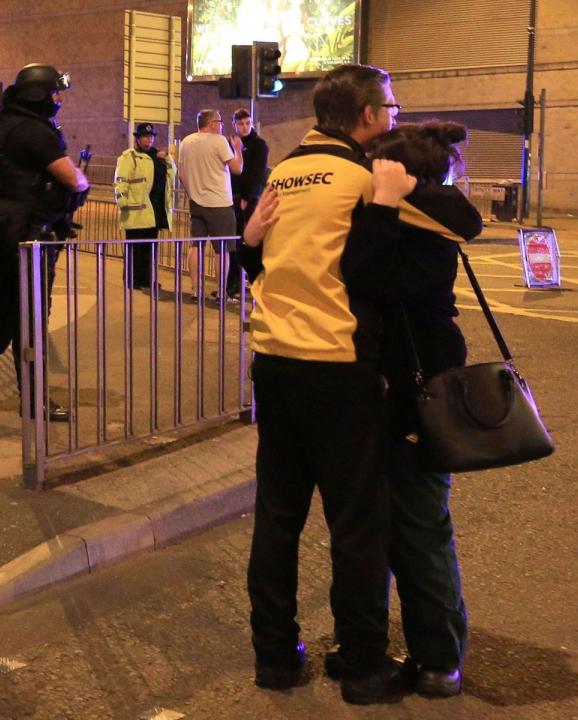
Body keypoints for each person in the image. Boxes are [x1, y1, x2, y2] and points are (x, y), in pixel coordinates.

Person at [237, 64, 480, 704]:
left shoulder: (284, 171)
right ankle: (366, 663)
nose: (396, 117)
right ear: (368, 117)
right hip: (338, 368)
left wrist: (245, 245)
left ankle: (274, 656)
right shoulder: (363, 178)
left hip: (273, 360)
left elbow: (270, 256)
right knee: (357, 524)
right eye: (392, 108)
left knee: (278, 516)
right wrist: (387, 198)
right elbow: (462, 222)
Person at [341, 121, 482, 697]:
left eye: (377, 165)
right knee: (392, 524)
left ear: (400, 173)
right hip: (394, 385)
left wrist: (382, 203)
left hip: (416, 388)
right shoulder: (415, 213)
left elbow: (369, 274)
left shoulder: (422, 222)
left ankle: (439, 657)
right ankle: (415, 646)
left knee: (421, 526)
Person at [0, 63, 89, 422]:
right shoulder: (35, 132)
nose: (58, 99)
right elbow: (74, 179)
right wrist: (79, 182)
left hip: (9, 232)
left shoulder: (6, 125)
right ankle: (34, 398)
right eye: (55, 92)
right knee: (32, 317)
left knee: (10, 310)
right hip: (30, 235)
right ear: (39, 95)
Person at [176, 109, 242, 300]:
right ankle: (222, 291)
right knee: (222, 249)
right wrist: (237, 148)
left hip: (197, 202)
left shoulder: (186, 142)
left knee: (196, 246)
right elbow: (237, 168)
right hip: (220, 203)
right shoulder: (219, 141)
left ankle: (196, 289)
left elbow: (181, 174)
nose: (222, 125)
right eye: (220, 122)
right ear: (212, 123)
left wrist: (192, 193)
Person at [113, 122, 176, 290]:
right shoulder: (129, 157)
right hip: (135, 211)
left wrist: (168, 158)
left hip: (154, 211)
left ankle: (147, 280)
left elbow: (173, 174)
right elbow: (120, 182)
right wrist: (122, 202)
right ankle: (132, 280)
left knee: (150, 248)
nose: (149, 140)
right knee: (134, 249)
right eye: (145, 137)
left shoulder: (158, 156)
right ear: (138, 138)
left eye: (151, 137)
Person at [226, 108, 269, 298]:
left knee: (246, 242)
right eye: (240, 124)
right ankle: (233, 282)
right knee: (233, 243)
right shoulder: (231, 143)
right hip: (230, 197)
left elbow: (257, 174)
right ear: (234, 124)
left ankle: (251, 281)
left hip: (246, 200)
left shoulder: (259, 145)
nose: (244, 127)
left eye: (247, 123)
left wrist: (248, 196)